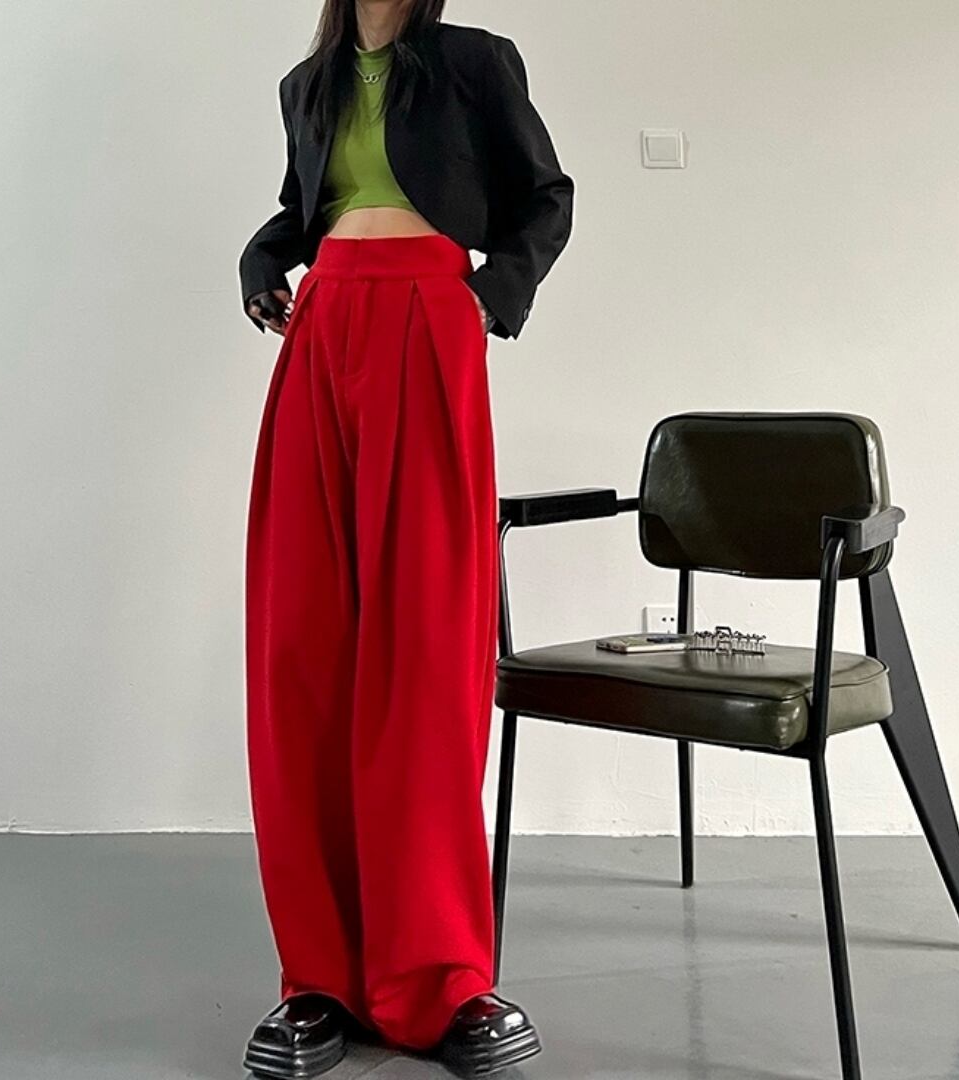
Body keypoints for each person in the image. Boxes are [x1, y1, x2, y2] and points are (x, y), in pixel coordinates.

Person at [238, 1, 573, 1076]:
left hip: (430, 321)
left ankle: (440, 976)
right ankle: (318, 980)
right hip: (323, 332)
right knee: (302, 651)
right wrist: (260, 264)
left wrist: (486, 298)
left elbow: (546, 196)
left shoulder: (473, 62)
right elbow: (300, 213)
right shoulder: (308, 86)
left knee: (424, 649)